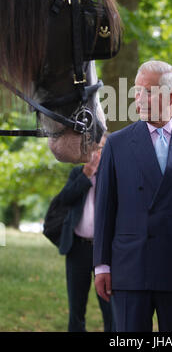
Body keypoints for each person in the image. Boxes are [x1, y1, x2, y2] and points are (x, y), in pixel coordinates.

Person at [93, 60, 172, 332]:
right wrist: (101, 265)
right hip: (130, 269)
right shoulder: (116, 144)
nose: (139, 99)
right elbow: (104, 208)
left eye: (147, 91)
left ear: (171, 96)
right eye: (136, 91)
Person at [58, 133, 115, 332]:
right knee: (76, 307)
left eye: (101, 148)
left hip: (105, 251)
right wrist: (86, 175)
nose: (96, 153)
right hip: (78, 248)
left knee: (110, 309)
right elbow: (64, 199)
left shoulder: (113, 175)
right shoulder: (77, 173)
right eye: (94, 148)